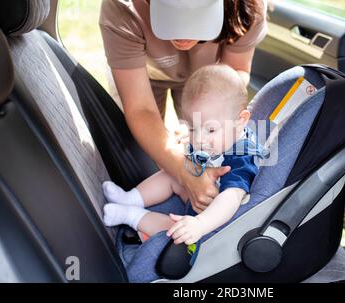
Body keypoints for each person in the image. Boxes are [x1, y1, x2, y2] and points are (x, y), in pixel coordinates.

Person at [99, 0, 268, 214]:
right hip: (143, 75)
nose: (181, 36)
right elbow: (141, 108)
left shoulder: (246, 7)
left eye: (196, 18)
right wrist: (182, 170)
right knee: (144, 155)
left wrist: (203, 125)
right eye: (171, 16)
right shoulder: (122, 8)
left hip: (208, 81)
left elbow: (235, 72)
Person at [102, 65, 265, 245]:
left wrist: (200, 224)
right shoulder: (220, 138)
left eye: (211, 129)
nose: (200, 138)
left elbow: (232, 197)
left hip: (213, 220)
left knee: (176, 229)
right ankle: (130, 198)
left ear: (240, 120)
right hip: (198, 189)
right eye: (194, 128)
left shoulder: (242, 155)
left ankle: (131, 215)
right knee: (172, 173)